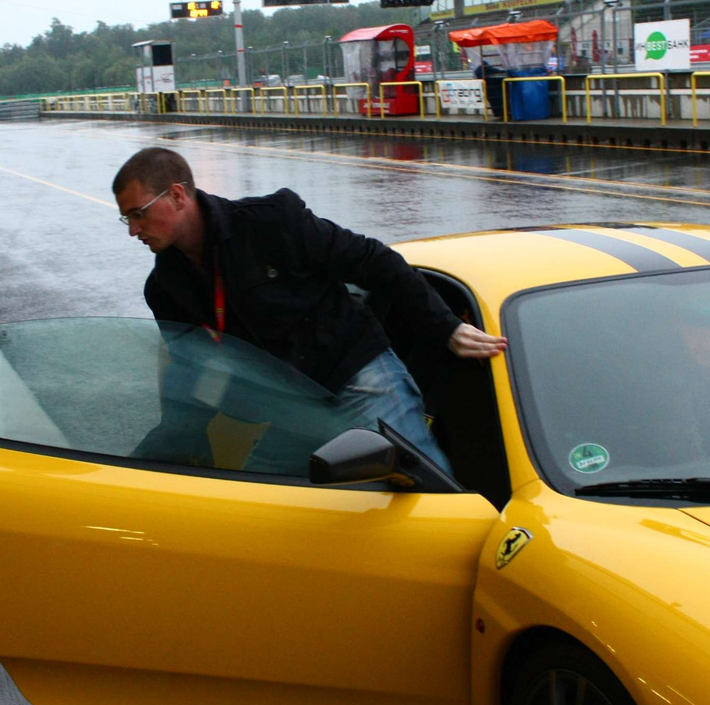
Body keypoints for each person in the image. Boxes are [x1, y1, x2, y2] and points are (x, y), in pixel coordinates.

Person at [113, 147, 506, 474]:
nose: (132, 230)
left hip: (361, 379)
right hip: (291, 407)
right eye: (126, 218)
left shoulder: (271, 221)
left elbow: (374, 260)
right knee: (262, 509)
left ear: (178, 196)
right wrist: (155, 460)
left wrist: (446, 327)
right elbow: (192, 375)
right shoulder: (164, 289)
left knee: (418, 481)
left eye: (138, 213)